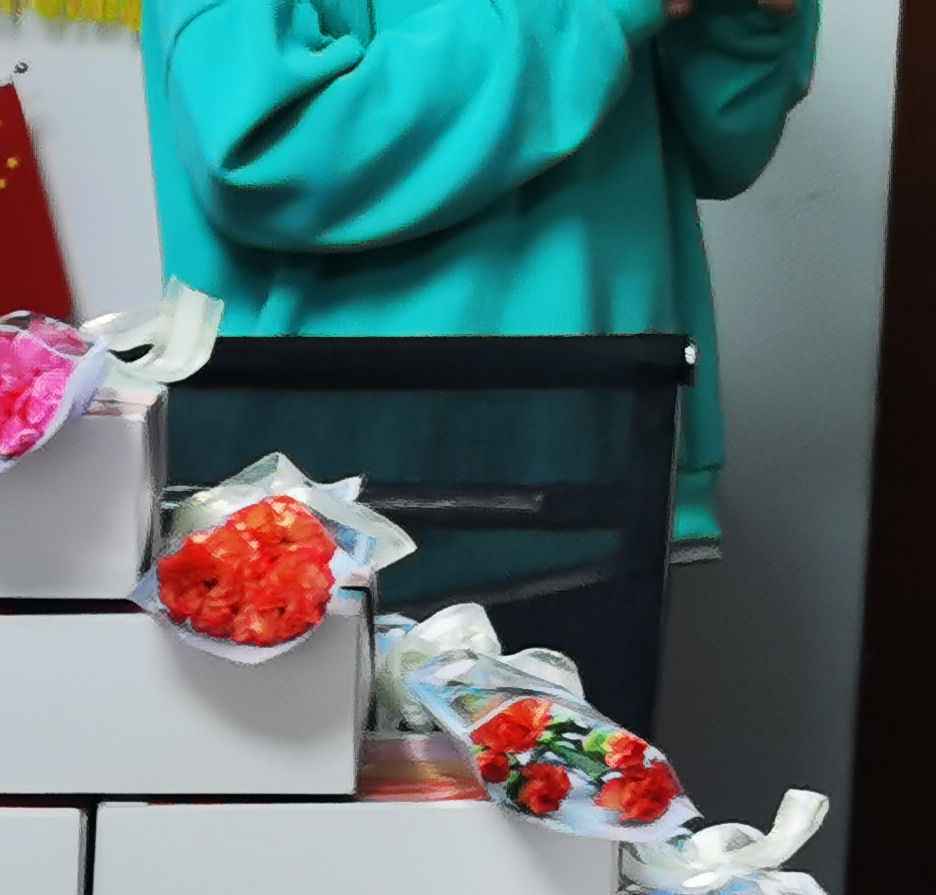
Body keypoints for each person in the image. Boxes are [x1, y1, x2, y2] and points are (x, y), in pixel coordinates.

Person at [145, 0, 819, 545]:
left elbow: (721, 147)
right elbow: (269, 154)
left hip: (608, 449)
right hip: (343, 488)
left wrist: (750, 22)